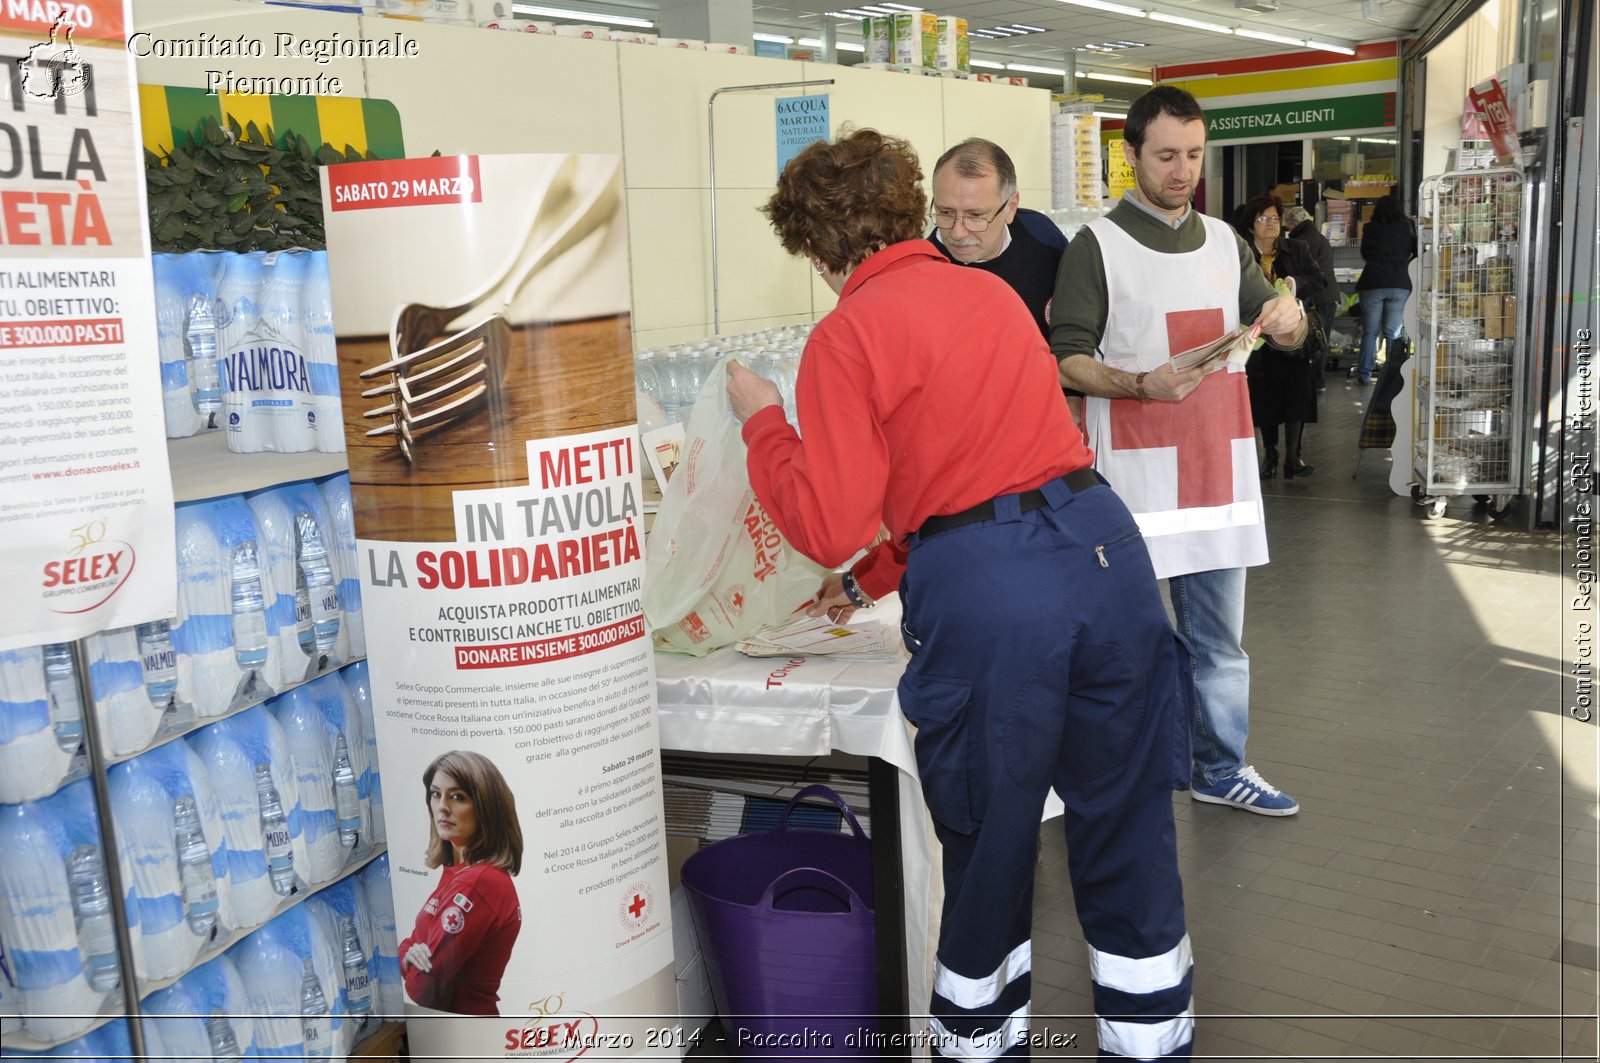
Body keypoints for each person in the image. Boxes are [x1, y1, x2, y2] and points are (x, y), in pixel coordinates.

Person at [726, 127, 1195, 1063]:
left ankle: (980, 1048)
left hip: (996, 599)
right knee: (1127, 828)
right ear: (912, 213)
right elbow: (983, 472)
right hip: (1106, 556)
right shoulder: (989, 294)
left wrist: (764, 425)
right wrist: (869, 579)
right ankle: (1153, 1044)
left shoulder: (846, 334)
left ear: (820, 253)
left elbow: (829, 515)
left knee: (989, 847)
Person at [1049, 85, 1304, 817]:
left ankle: (1219, 768)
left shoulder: (1226, 243)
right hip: (1130, 479)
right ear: (1129, 156)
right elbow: (1065, 358)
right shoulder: (1096, 248)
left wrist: (1287, 321)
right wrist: (1138, 383)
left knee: (1221, 643)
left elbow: (1280, 328)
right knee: (1120, 650)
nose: (1182, 170)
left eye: (1193, 154)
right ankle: (1111, 780)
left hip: (1215, 475)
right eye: (1165, 155)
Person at [399, 750, 523, 1015]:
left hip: (468, 1035)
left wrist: (408, 957)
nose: (442, 806)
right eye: (436, 794)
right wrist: (408, 953)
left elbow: (425, 989)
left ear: (486, 807)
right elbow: (411, 943)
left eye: (458, 797)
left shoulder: (479, 882)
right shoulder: (458, 872)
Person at [927, 137, 1066, 339]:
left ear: (1011, 207)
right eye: (946, 212)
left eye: (975, 216)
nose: (957, 233)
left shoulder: (1043, 237)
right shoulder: (921, 270)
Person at [1236, 193, 1327, 479]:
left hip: (1294, 336)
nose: (1271, 224)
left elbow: (1319, 280)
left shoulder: (1297, 249)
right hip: (1260, 339)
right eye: (1263, 218)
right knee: (1265, 397)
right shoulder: (1243, 255)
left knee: (1297, 394)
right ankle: (1270, 455)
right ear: (1251, 225)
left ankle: (1294, 457)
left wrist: (1295, 283)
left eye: (1275, 218)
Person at [1355, 191, 1417, 385]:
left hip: (1373, 281)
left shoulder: (1370, 228)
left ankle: (1364, 374)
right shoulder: (1407, 226)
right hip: (1399, 281)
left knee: (1370, 332)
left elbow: (1365, 253)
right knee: (1393, 333)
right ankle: (1391, 376)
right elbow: (1416, 250)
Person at [1282, 204, 1340, 391]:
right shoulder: (1319, 237)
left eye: (1288, 226)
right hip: (1329, 295)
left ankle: (1314, 382)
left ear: (1294, 223)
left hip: (1317, 298)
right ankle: (1316, 380)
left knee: (1313, 340)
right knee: (1321, 338)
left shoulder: (1302, 242)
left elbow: (1304, 273)